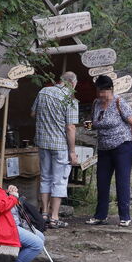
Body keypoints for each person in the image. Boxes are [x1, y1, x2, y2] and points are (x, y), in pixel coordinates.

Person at [86, 75, 132, 227]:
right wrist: (86, 125)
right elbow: (93, 122)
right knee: (102, 180)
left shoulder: (119, 102)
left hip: (123, 146)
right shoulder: (96, 103)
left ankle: (124, 216)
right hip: (104, 148)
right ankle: (100, 215)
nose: (101, 95)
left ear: (111, 89)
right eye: (99, 91)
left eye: (104, 92)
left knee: (122, 180)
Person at [31, 71, 79, 228]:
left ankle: (44, 213)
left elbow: (33, 113)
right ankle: (54, 217)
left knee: (45, 177)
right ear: (72, 83)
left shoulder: (43, 91)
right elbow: (70, 127)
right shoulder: (70, 100)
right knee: (59, 181)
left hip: (43, 142)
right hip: (59, 145)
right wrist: (72, 151)